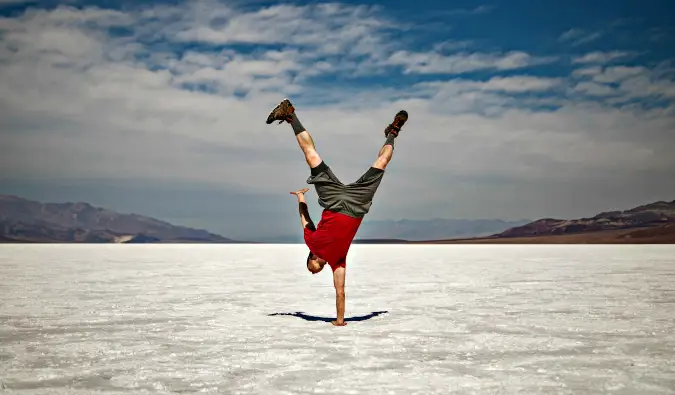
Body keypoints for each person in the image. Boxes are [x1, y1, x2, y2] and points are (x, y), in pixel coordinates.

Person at [266, 98, 408, 326]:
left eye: (310, 270)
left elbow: (305, 218)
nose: (313, 273)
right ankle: (393, 132)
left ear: (311, 259)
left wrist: (301, 198)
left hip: (333, 201)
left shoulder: (311, 242)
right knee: (382, 161)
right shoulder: (338, 263)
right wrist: (339, 320)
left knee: (311, 156)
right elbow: (340, 292)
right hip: (356, 204)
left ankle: (290, 115)